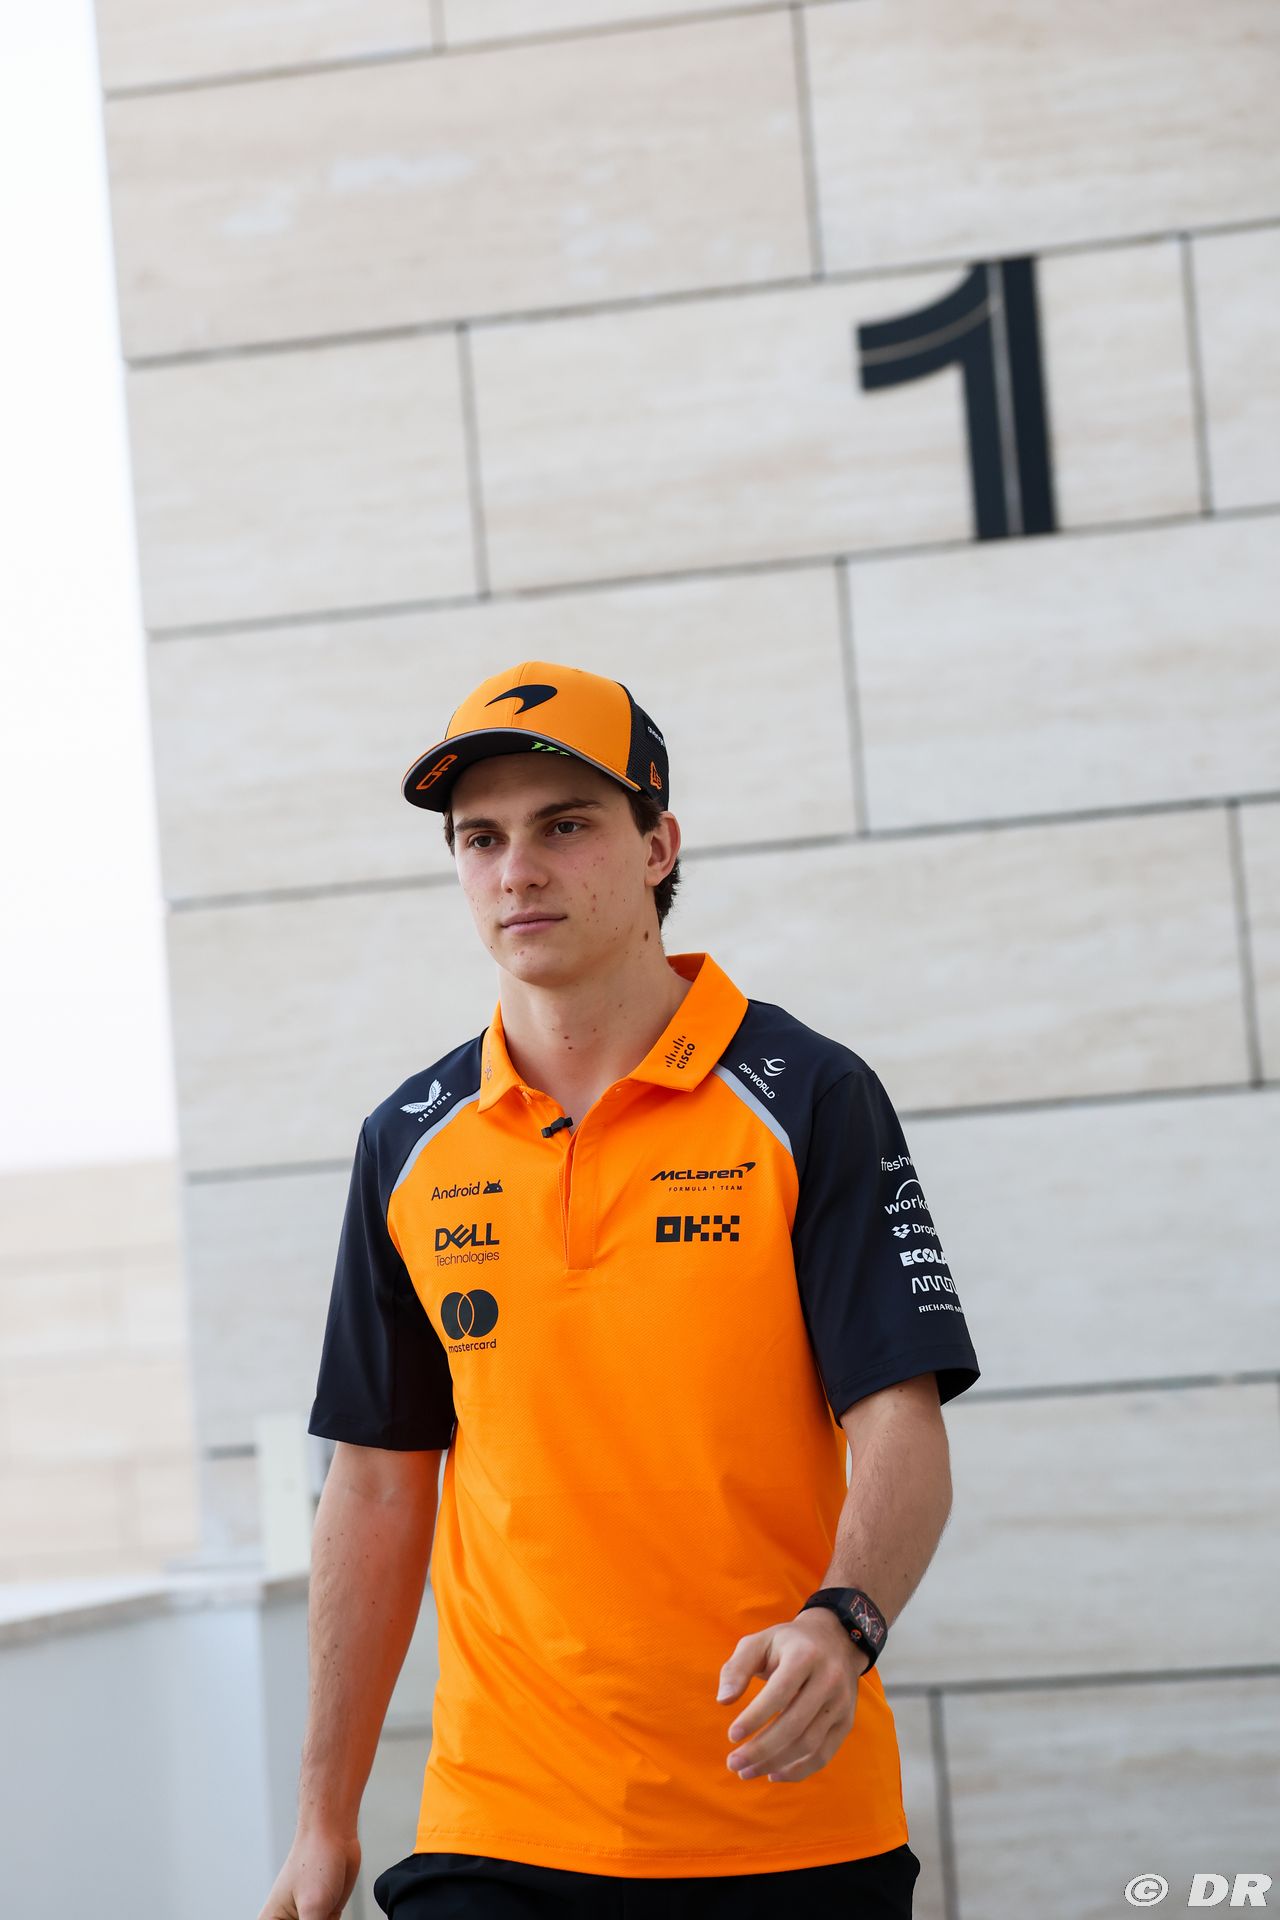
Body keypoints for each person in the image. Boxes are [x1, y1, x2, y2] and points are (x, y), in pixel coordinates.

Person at [257, 660, 980, 1920]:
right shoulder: (407, 1140)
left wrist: (843, 1620)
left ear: (657, 846)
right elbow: (374, 1485)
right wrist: (324, 1821)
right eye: (480, 839)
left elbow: (899, 1421)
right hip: (497, 1829)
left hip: (784, 1826)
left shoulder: (808, 1095)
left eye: (564, 827)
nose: (516, 872)